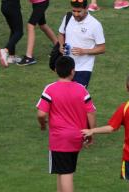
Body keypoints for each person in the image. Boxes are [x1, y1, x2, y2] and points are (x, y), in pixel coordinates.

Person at [37, 56, 97, 192]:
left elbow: (41, 114)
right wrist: (91, 132)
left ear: (56, 70)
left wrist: (42, 125)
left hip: (59, 139)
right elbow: (91, 113)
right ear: (73, 71)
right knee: (62, 171)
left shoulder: (50, 89)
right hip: (76, 137)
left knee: (66, 173)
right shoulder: (82, 89)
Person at [57, 0, 106, 88]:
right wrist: (61, 45)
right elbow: (61, 33)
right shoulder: (68, 17)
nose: (75, 14)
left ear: (86, 8)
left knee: (77, 97)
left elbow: (102, 48)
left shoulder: (95, 25)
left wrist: (84, 51)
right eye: (73, 11)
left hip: (83, 69)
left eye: (79, 11)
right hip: (66, 66)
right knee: (64, 95)